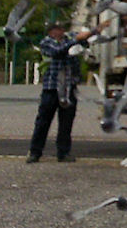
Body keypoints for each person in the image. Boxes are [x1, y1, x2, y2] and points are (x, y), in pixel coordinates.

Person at [27, 22, 93, 163]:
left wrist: (92, 33)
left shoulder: (69, 38)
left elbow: (85, 43)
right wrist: (76, 40)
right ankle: (35, 152)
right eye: (58, 29)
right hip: (51, 88)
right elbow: (58, 52)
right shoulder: (47, 42)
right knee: (43, 122)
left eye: (63, 28)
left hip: (69, 88)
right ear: (51, 31)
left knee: (66, 123)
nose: (62, 31)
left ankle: (63, 153)